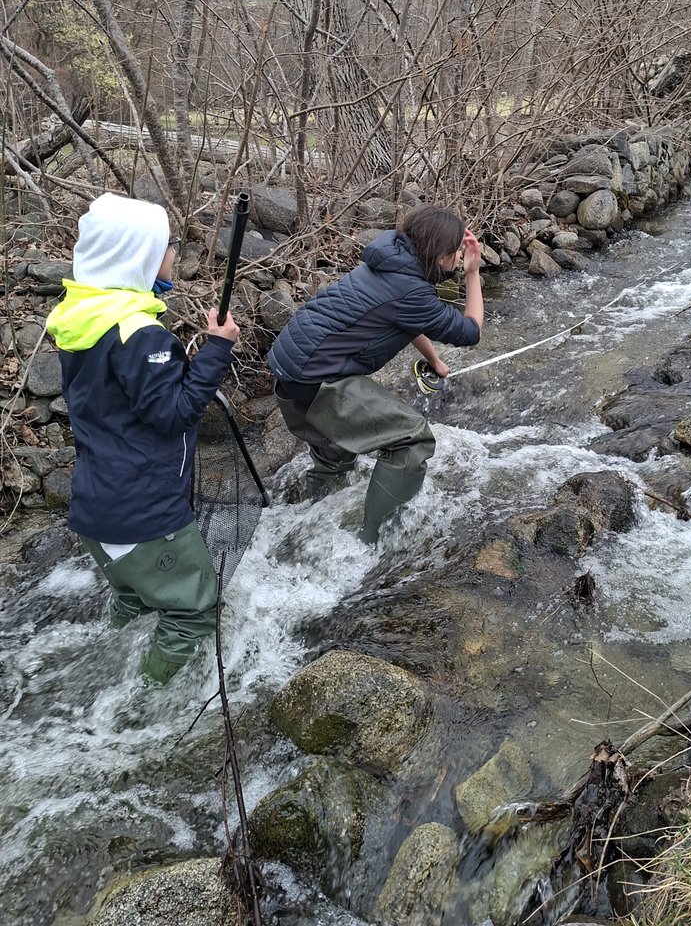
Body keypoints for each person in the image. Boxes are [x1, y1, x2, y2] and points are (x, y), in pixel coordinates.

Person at [46, 193, 240, 685]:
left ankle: (103, 680)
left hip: (97, 509)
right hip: (144, 514)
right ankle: (141, 711)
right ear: (140, 257)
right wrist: (217, 351)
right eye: (168, 244)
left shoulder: (82, 316)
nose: (176, 251)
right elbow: (172, 415)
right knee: (192, 613)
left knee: (133, 598)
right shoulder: (138, 332)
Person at [268, 204, 484, 544]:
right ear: (440, 254)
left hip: (289, 373)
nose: (459, 259)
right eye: (456, 253)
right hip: (317, 379)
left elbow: (404, 318)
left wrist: (434, 360)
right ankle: (371, 544)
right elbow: (471, 331)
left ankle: (305, 532)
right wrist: (473, 275)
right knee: (413, 437)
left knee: (336, 458)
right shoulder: (412, 291)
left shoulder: (390, 262)